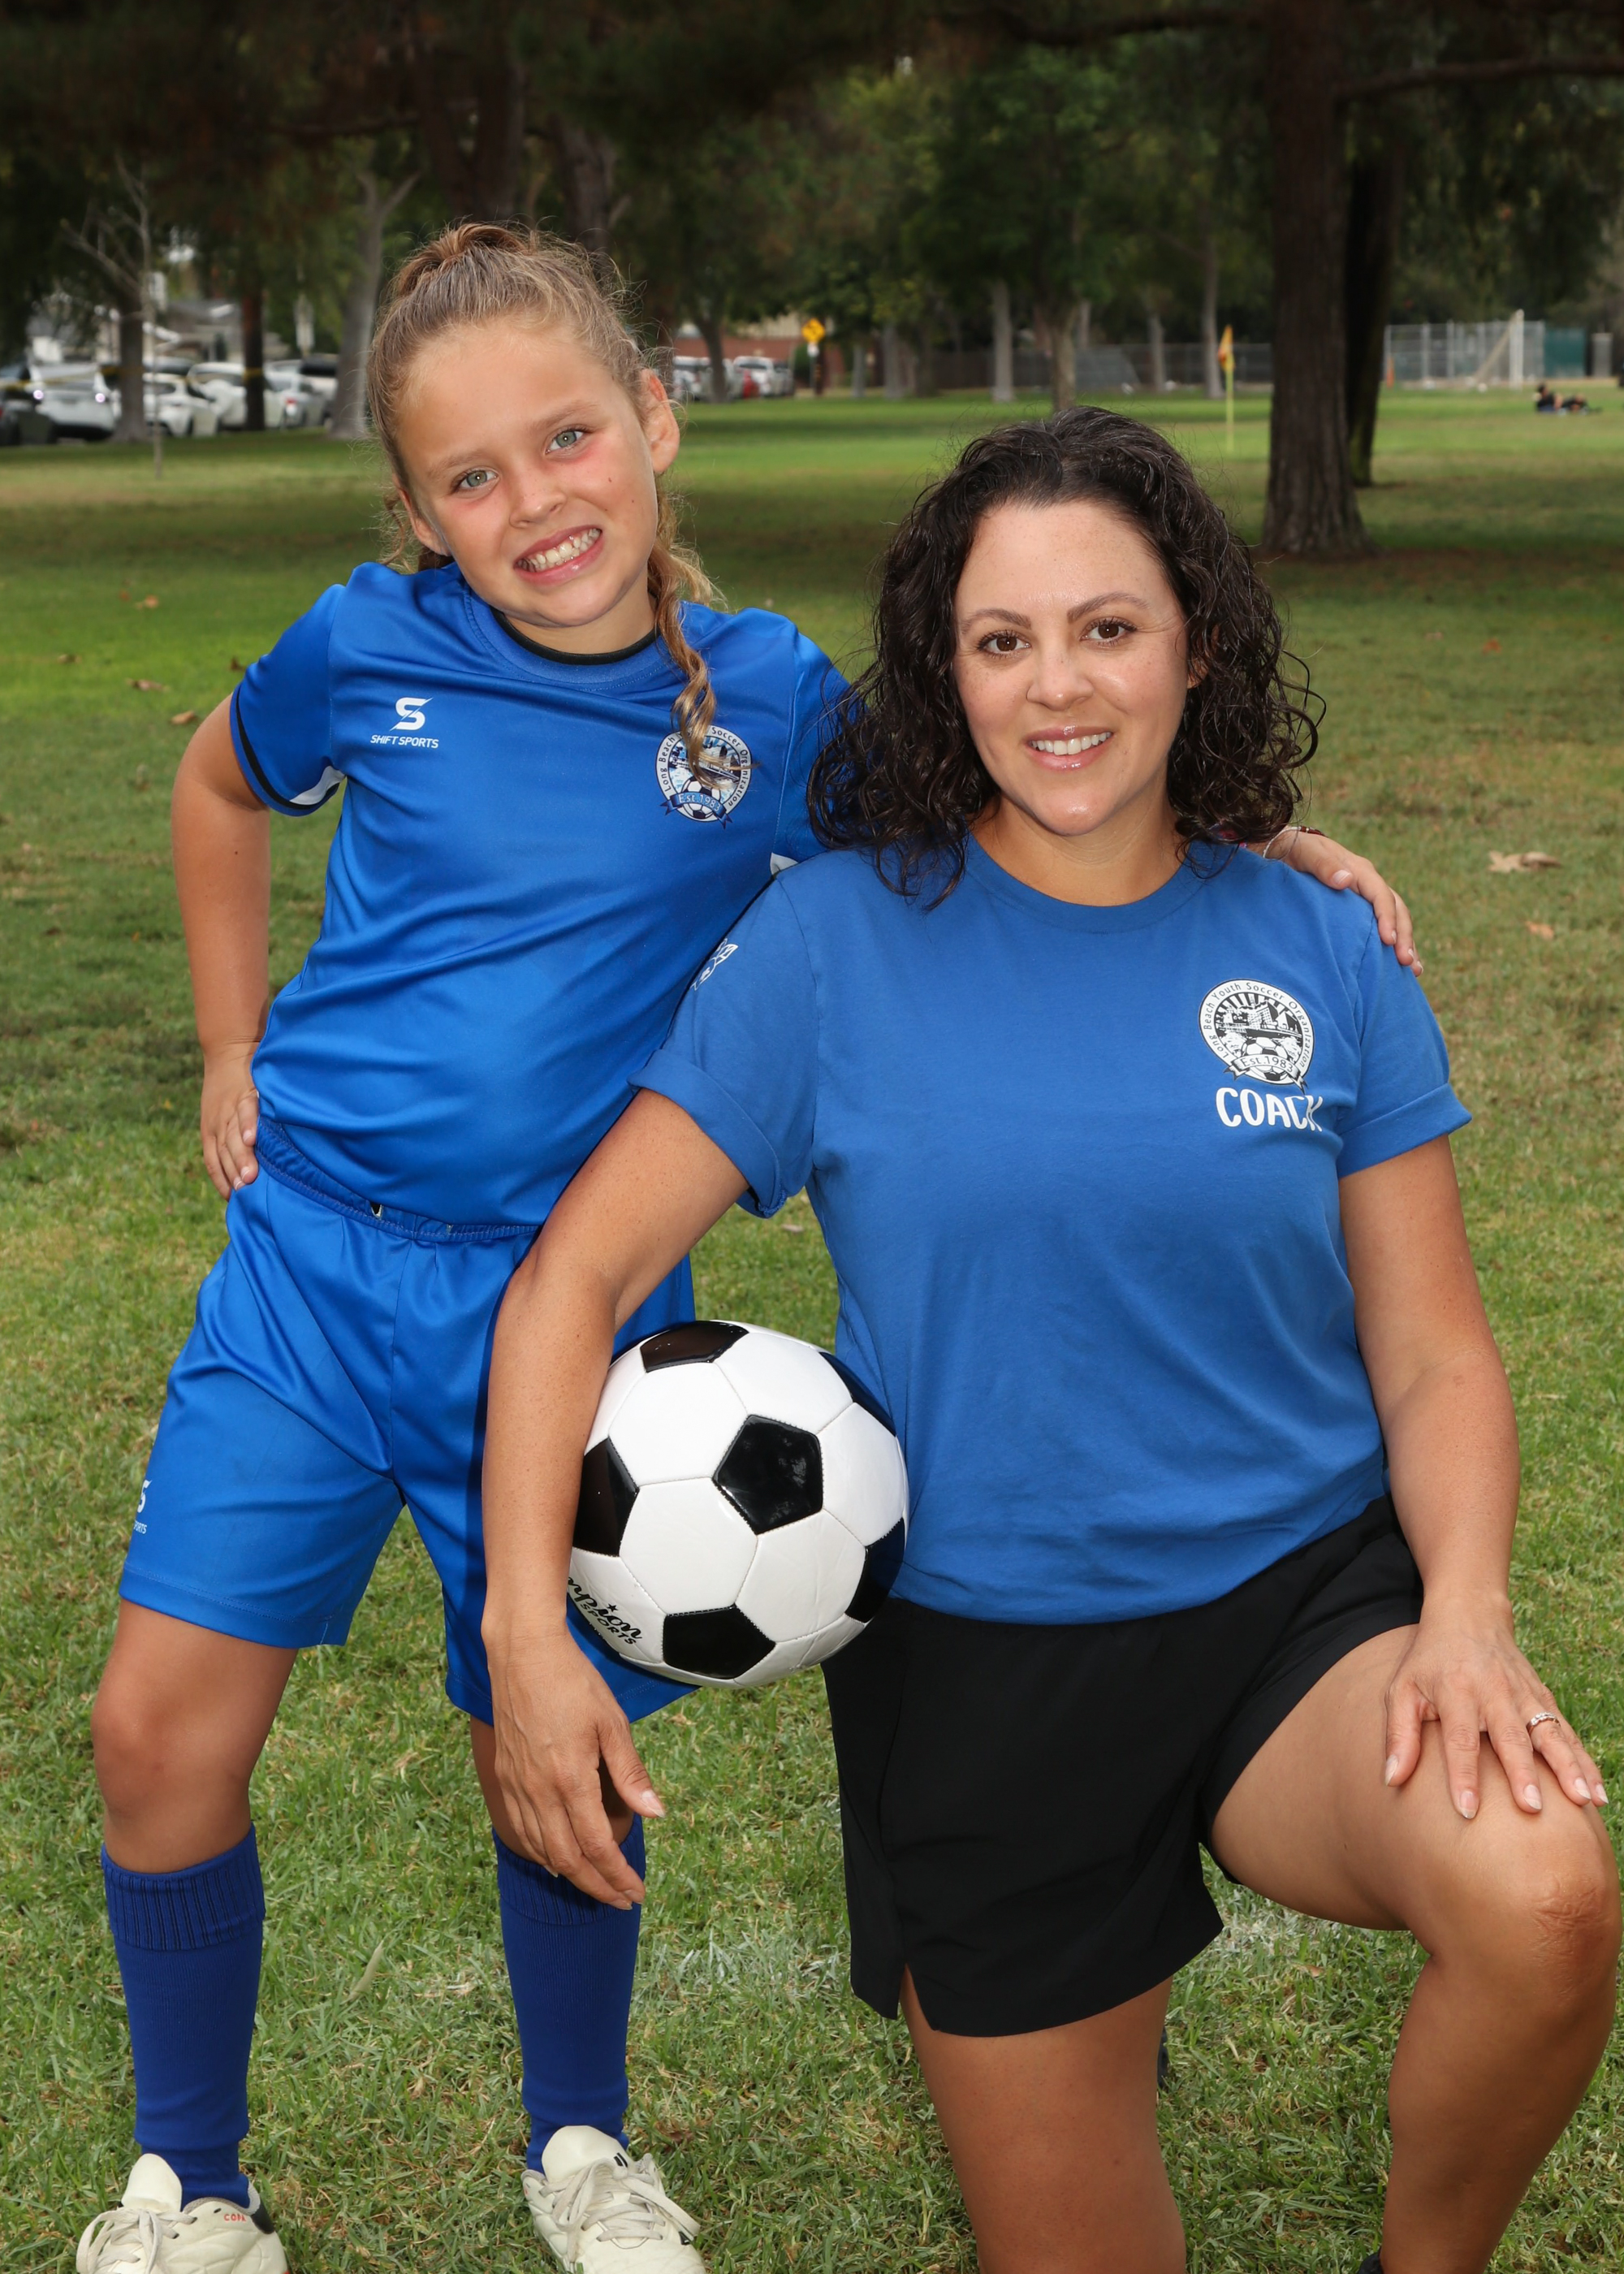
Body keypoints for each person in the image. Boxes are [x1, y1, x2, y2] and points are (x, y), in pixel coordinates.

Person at [76, 223, 1408, 2272]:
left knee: (551, 1742)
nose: (536, 502)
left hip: (579, 1308)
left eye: (568, 437)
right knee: (154, 1730)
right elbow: (215, 781)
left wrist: (1253, 844)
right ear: (418, 511)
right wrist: (232, 1040)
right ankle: (192, 2179)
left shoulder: (770, 697)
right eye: (471, 476)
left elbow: (1013, 794)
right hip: (318, 1273)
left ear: (655, 421)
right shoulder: (363, 647)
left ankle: (583, 2143)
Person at [479, 408, 1620, 2274]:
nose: (1057, 684)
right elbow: (570, 1284)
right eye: (1002, 639)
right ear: (947, 671)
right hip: (984, 1660)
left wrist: (1468, 1608)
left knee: (1547, 1892)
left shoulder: (1319, 944)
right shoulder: (833, 944)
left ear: (1196, 644)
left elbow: (1432, 1354)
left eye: (1107, 628)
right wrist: (529, 1633)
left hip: (1300, 1608)